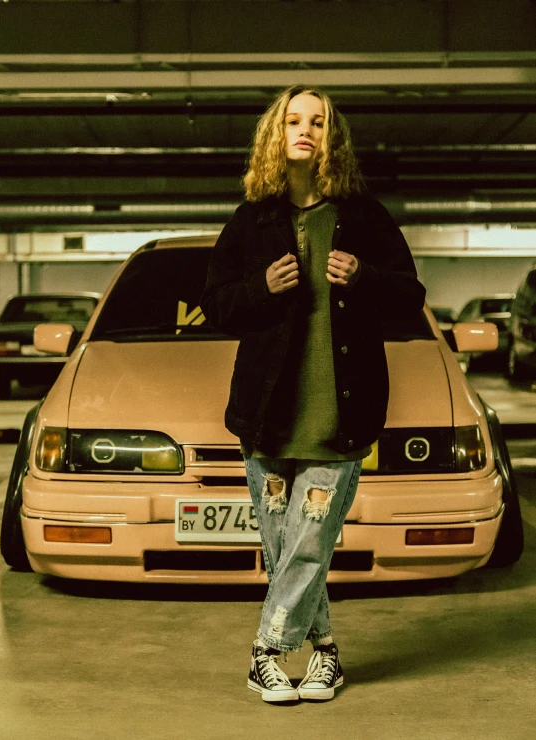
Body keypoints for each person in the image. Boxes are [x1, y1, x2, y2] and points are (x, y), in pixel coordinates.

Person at [201, 85, 426, 703]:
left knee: (306, 544)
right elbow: (216, 307)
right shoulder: (252, 219)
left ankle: (266, 653)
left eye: (319, 122)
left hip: (340, 417)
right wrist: (261, 288)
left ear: (334, 137)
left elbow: (412, 300)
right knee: (289, 549)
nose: (306, 130)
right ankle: (324, 654)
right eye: (294, 120)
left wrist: (366, 276)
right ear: (276, 136)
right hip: (267, 417)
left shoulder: (364, 216)